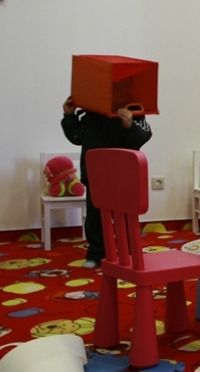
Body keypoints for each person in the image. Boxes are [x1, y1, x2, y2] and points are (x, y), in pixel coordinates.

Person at [61, 96, 153, 268]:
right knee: (95, 217)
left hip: (124, 172)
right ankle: (96, 254)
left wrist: (129, 124)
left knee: (126, 216)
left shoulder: (133, 109)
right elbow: (77, 137)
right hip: (95, 172)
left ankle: (130, 253)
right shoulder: (91, 112)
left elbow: (143, 136)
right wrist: (69, 116)